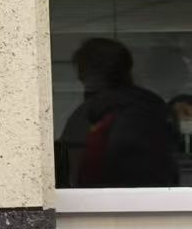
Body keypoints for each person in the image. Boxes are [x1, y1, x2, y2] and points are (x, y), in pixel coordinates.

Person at [55, 37, 180, 188]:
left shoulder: (88, 115)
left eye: (82, 71)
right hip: (157, 196)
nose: (80, 78)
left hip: (106, 197)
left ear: (87, 75)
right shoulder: (154, 106)